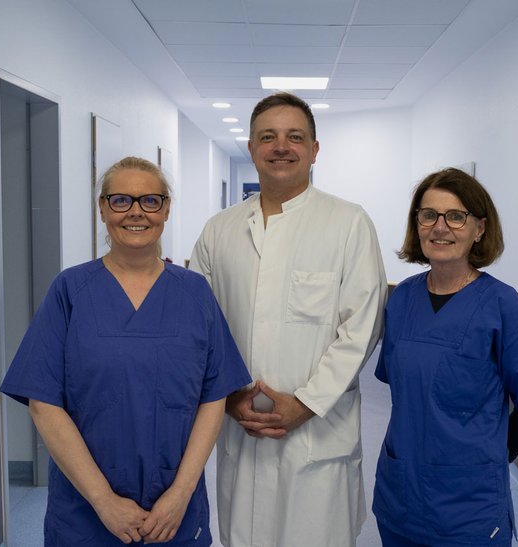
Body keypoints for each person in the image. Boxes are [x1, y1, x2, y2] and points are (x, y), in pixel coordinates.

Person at [0, 156, 251, 546]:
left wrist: (180, 495)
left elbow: (213, 396)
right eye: (121, 200)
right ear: (103, 208)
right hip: (84, 512)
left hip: (174, 512)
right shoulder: (70, 291)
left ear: (166, 208)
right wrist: (103, 501)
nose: (136, 212)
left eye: (150, 200)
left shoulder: (195, 293)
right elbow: (43, 403)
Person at [190, 92, 387, 547]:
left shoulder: (348, 223)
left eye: (295, 137)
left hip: (318, 436)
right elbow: (200, 327)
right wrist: (227, 397)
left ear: (314, 150)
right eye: (268, 137)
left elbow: (362, 326)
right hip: (242, 428)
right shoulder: (218, 230)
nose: (281, 146)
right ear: (251, 147)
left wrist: (306, 403)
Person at [372, 167, 518, 546]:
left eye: (456, 216)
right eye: (429, 215)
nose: (440, 227)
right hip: (400, 492)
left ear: (480, 229)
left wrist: (488, 460)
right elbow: (405, 389)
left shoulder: (502, 305)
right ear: (417, 225)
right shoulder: (402, 300)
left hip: (468, 504)